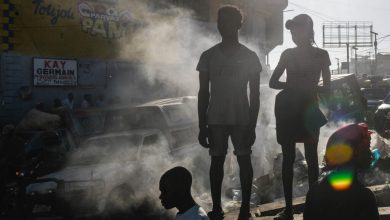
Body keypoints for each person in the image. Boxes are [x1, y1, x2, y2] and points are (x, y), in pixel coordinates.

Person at [197, 5, 262, 220]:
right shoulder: (208, 56)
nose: (222, 26)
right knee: (217, 162)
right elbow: (203, 93)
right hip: (215, 119)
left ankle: (245, 209)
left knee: (244, 161)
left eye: (226, 21)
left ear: (238, 24)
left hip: (242, 118)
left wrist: (253, 125)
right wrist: (201, 125)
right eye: (219, 22)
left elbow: (255, 95)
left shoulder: (251, 57)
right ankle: (217, 208)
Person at [269, 14, 331, 220]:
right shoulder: (287, 54)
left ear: (308, 30)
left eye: (298, 29)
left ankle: (312, 208)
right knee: (289, 159)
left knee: (312, 160)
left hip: (309, 108)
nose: (294, 33)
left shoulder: (322, 54)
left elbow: (328, 88)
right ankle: (288, 209)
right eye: (292, 30)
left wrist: (308, 87)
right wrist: (294, 86)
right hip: (288, 109)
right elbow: (273, 82)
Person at [303, 123, 380, 220]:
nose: (370, 153)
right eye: (367, 147)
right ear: (354, 152)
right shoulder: (364, 197)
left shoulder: (315, 191)